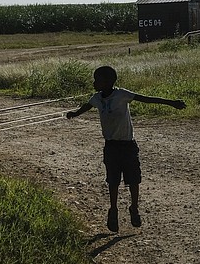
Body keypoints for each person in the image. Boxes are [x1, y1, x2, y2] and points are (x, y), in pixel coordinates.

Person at [66, 65, 186, 233]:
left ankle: (134, 208)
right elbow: (87, 106)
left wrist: (171, 103)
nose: (94, 82)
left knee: (134, 179)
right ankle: (113, 210)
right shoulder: (97, 98)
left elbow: (145, 99)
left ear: (108, 82)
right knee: (112, 181)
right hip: (111, 146)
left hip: (128, 145)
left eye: (97, 80)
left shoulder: (122, 95)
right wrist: (75, 113)